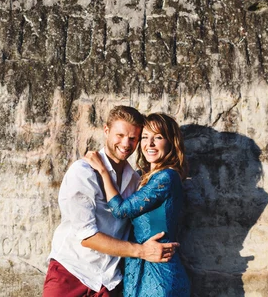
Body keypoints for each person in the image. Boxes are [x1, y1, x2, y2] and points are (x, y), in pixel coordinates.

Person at [43, 106, 179, 297]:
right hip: (72, 272)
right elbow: (87, 237)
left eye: (133, 138)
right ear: (106, 130)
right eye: (120, 135)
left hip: (108, 281)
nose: (126, 143)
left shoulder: (134, 180)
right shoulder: (83, 172)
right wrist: (141, 251)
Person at [85, 113, 191, 297]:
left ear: (171, 141)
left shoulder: (166, 177)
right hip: (141, 266)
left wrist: (103, 170)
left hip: (158, 272)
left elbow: (120, 210)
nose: (149, 144)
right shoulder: (141, 177)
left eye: (158, 137)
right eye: (144, 137)